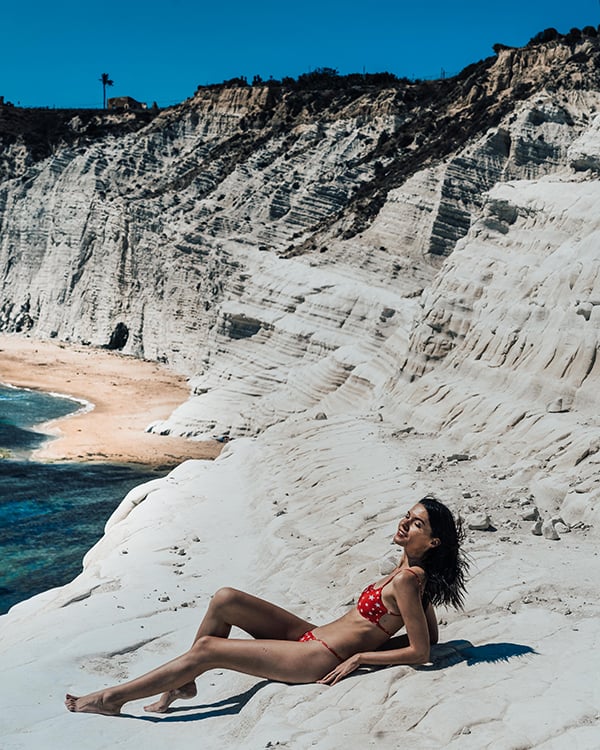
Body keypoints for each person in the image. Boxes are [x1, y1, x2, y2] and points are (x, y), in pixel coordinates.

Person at [65, 495, 467, 716]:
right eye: (408, 516)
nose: (405, 524)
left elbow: (421, 649)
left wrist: (360, 655)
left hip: (317, 659)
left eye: (416, 524)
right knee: (226, 599)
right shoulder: (411, 575)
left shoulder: (408, 580)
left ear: (433, 543)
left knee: (208, 650)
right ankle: (183, 682)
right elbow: (427, 632)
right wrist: (403, 618)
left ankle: (111, 699)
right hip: (310, 637)